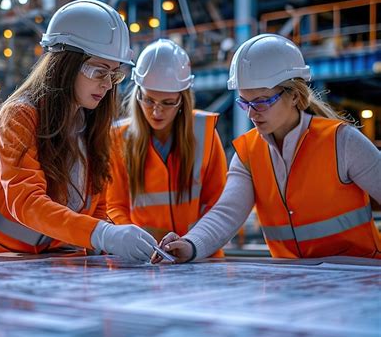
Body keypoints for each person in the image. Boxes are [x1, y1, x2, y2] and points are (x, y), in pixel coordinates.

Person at [153, 33, 381, 263]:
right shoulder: (248, 154)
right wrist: (190, 244)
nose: (252, 113)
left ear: (294, 95)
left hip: (359, 277)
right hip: (295, 283)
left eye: (262, 101)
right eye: (245, 102)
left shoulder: (342, 142)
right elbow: (226, 214)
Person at [0, 0, 157, 261]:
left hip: (55, 266)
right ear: (66, 64)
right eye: (99, 71)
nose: (108, 85)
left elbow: (95, 212)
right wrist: (105, 234)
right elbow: (26, 202)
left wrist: (126, 239)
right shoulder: (19, 117)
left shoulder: (91, 128)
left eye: (114, 74)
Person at [106, 39, 227, 256]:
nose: (156, 112)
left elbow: (218, 206)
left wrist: (192, 243)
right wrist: (134, 241)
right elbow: (114, 205)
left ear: (183, 100)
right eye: (149, 100)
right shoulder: (118, 138)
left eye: (168, 103)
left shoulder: (205, 134)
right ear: (137, 94)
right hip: (143, 259)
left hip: (200, 257)